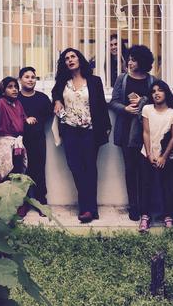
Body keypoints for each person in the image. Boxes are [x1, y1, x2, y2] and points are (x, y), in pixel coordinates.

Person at [52, 48, 111, 223]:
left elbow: (101, 104)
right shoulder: (63, 82)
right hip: (69, 130)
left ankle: (88, 208)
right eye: (66, 58)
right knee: (75, 168)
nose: (70, 60)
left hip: (90, 131)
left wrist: (106, 126)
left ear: (79, 59)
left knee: (89, 168)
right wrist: (57, 100)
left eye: (73, 57)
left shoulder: (94, 81)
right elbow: (55, 94)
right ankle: (88, 207)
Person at [109, 45, 156, 221]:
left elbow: (159, 102)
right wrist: (125, 108)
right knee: (130, 169)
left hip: (147, 132)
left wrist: (143, 102)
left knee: (146, 170)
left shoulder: (152, 81)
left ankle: (145, 207)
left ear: (142, 62)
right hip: (126, 131)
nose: (129, 62)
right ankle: (133, 206)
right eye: (129, 59)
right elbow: (113, 102)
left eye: (134, 60)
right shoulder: (122, 79)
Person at [139, 80, 173, 232]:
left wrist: (164, 157)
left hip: (166, 155)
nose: (156, 93)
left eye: (160, 90)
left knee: (167, 186)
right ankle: (145, 217)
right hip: (147, 153)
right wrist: (149, 154)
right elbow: (146, 132)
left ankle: (168, 217)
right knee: (146, 185)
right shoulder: (147, 109)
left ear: (166, 92)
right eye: (153, 91)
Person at [18, 67, 52, 206]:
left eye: (33, 77)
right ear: (20, 80)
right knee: (20, 171)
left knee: (38, 170)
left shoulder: (42, 98)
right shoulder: (15, 98)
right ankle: (22, 203)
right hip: (19, 140)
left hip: (38, 139)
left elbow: (49, 115)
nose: (30, 80)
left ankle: (40, 201)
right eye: (27, 77)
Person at [0, 77, 28, 184]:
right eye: (10, 87)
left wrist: (28, 119)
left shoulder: (18, 103)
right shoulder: (0, 102)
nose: (14, 89)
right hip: (5, 143)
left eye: (16, 87)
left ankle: (16, 195)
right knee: (5, 174)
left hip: (18, 144)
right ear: (3, 91)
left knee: (17, 174)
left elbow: (23, 118)